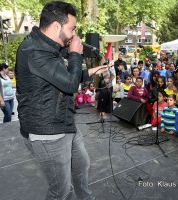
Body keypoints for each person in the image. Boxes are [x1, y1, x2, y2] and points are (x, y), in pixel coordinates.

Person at [15, 2, 108, 199]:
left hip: (63, 123)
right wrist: (75, 54)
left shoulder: (47, 47)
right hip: (47, 131)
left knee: (82, 166)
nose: (74, 34)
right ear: (57, 26)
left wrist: (89, 72)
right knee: (61, 190)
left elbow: (59, 78)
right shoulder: (34, 51)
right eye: (72, 28)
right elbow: (69, 85)